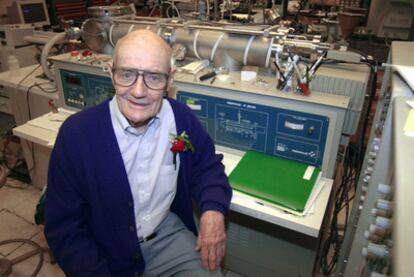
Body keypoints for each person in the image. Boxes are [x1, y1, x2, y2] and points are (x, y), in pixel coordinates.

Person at [44, 29, 232, 277]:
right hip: (104, 250)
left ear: (171, 79)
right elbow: (64, 229)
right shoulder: (77, 135)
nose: (139, 91)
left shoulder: (180, 118)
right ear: (111, 73)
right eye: (127, 74)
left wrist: (213, 211)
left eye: (154, 77)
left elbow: (207, 167)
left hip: (166, 235)